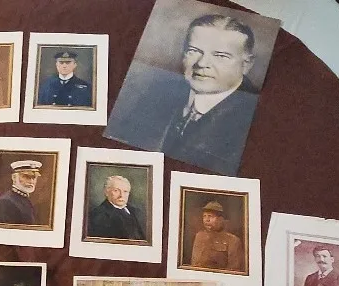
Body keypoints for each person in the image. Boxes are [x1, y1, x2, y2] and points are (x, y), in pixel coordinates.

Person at [105, 14, 259, 175]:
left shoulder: (253, 116)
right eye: (193, 51)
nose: (202, 63)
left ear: (246, 65)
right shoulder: (157, 92)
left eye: (220, 56)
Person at [190, 200, 245, 271]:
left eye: (210, 216)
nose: (206, 220)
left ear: (221, 219)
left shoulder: (233, 240)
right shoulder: (199, 236)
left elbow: (234, 269)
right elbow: (194, 263)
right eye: (204, 216)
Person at [87, 176, 147, 241]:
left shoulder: (138, 212)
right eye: (116, 190)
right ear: (106, 192)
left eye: (125, 191)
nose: (121, 195)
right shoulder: (97, 216)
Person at [0, 160, 42, 225]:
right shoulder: (5, 202)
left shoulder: (25, 200)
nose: (31, 182)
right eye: (26, 177)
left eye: (34, 177)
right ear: (14, 177)